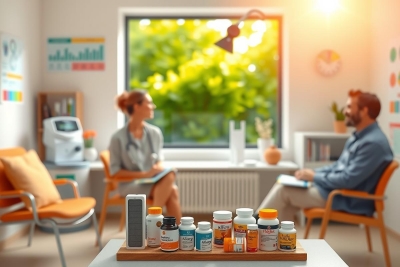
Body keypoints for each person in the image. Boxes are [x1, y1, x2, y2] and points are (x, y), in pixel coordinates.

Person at [255, 89, 393, 221]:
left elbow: (348, 180)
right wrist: (311, 173)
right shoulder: (359, 137)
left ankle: (253, 226)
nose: (345, 111)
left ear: (364, 111)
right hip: (334, 190)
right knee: (288, 195)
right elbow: (338, 166)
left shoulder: (373, 144)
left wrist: (314, 177)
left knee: (283, 191)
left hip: (346, 198)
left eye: (350, 107)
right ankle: (277, 241)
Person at [109, 89, 182, 222]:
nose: (153, 106)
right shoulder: (117, 138)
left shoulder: (154, 133)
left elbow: (159, 160)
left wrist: (157, 170)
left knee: (170, 176)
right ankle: (169, 229)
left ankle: (153, 222)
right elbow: (115, 173)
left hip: (151, 181)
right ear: (137, 106)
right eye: (149, 103)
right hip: (129, 184)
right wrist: (145, 174)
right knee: (172, 190)